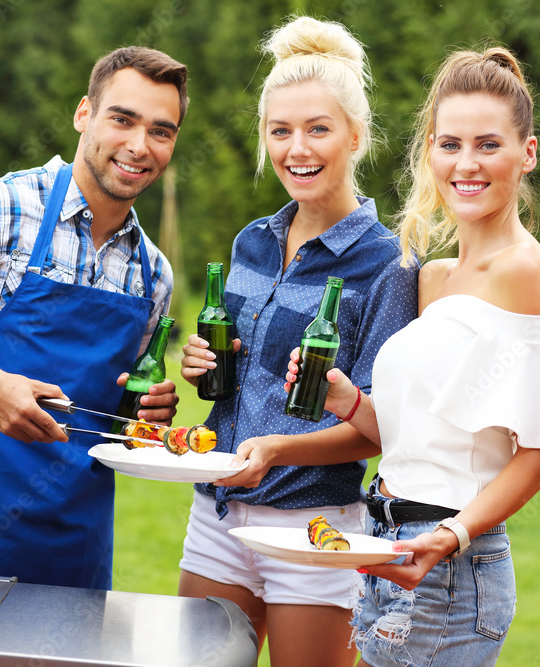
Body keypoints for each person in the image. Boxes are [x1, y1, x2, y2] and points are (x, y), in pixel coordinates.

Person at [287, 46, 540, 664]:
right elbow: (411, 438)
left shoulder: (524, 271)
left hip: (450, 564)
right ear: (430, 151)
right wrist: (349, 401)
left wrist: (451, 536)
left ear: (526, 154)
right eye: (449, 144)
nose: (466, 164)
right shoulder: (434, 276)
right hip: (385, 544)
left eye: (488, 144)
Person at [176, 16, 419, 667]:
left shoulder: (388, 264)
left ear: (356, 136)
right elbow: (232, 379)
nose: (296, 147)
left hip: (315, 529)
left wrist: (277, 449)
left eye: (318, 128)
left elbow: (378, 426)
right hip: (218, 514)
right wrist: (203, 367)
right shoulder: (251, 242)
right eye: (279, 130)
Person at [0, 46, 187, 590]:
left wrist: (144, 416)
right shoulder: (0, 209)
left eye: (161, 131)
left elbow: (112, 419)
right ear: (84, 114)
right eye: (122, 119)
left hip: (74, 548)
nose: (139, 146)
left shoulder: (153, 274)